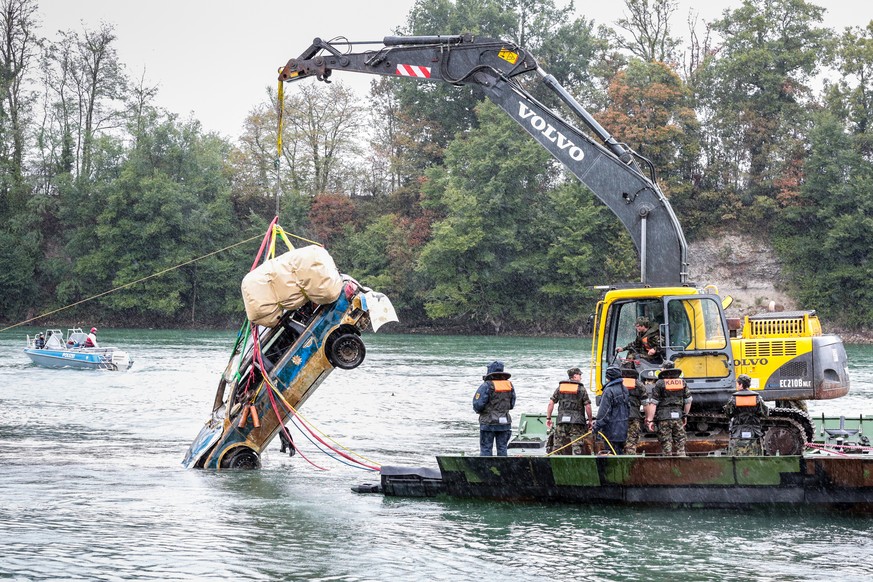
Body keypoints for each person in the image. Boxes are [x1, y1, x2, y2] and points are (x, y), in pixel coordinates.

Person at [646, 361, 692, 456]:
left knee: (666, 446)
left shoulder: (660, 383)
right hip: (678, 416)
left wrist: (650, 420)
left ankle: (668, 466)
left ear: (665, 369)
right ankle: (682, 465)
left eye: (662, 368)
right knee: (680, 445)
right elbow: (688, 401)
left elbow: (654, 403)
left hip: (663, 418)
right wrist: (685, 415)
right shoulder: (682, 382)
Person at [473, 361, 516, 456]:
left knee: (486, 449)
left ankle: (486, 469)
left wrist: (482, 412)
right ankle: (503, 469)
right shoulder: (509, 386)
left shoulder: (486, 386)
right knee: (502, 448)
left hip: (488, 423)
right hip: (504, 422)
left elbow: (478, 404)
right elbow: (512, 404)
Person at [546, 367, 593, 455]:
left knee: (557, 447)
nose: (581, 377)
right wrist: (590, 420)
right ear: (575, 376)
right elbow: (588, 406)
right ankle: (576, 465)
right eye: (579, 375)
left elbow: (551, 403)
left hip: (561, 422)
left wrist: (548, 418)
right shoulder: (581, 389)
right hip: (577, 423)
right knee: (577, 447)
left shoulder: (560, 388)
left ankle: (556, 463)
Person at [723, 374, 769, 456]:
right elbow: (765, 413)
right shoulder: (757, 398)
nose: (736, 386)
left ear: (741, 384)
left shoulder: (734, 398)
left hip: (738, 434)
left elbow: (728, 414)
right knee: (755, 457)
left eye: (737, 384)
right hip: (754, 433)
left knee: (737, 458)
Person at [593, 366, 630, 454]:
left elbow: (604, 412)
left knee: (611, 454)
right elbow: (628, 408)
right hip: (623, 429)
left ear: (608, 377)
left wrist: (596, 427)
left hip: (611, 430)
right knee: (619, 452)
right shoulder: (624, 389)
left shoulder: (609, 390)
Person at [621, 364, 652, 454]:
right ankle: (630, 460)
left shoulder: (615, 383)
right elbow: (646, 404)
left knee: (617, 441)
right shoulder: (639, 385)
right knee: (631, 441)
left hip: (618, 417)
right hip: (634, 415)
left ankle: (618, 460)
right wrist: (648, 418)